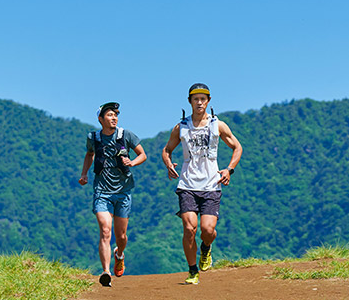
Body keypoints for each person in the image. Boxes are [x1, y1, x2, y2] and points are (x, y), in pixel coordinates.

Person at [162, 83, 243, 285]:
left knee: (207, 230)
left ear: (208, 101)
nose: (199, 102)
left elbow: (237, 147)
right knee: (189, 228)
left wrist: (229, 169)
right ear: (190, 101)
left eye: (203, 99)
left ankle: (206, 248)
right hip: (187, 184)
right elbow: (167, 150)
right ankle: (192, 271)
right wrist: (168, 164)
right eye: (195, 99)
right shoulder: (181, 127)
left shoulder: (218, 125)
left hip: (211, 185)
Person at [79, 102, 146, 287]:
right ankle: (106, 271)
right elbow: (90, 154)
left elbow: (143, 155)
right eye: (109, 115)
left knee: (121, 236)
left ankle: (119, 254)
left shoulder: (126, 135)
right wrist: (84, 173)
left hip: (123, 192)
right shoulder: (93, 137)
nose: (114, 118)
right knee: (105, 230)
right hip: (102, 192)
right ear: (100, 119)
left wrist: (132, 162)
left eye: (115, 115)